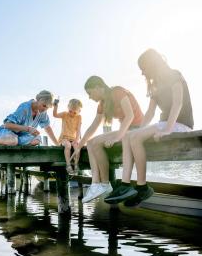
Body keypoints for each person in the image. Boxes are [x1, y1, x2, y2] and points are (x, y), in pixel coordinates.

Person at [105, 49, 194, 207]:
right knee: (128, 136)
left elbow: (178, 103)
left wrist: (167, 129)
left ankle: (142, 187)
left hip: (180, 124)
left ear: (151, 64)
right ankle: (125, 185)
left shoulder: (174, 75)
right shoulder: (155, 85)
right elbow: (150, 112)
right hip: (164, 123)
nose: (142, 73)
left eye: (143, 68)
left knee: (135, 137)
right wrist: (139, 129)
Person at [70, 75, 143, 203]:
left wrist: (117, 137)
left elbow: (130, 116)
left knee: (95, 143)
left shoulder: (118, 92)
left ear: (98, 87)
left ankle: (103, 184)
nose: (89, 97)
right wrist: (79, 147)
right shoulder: (102, 104)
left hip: (137, 129)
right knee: (91, 143)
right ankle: (97, 184)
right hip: (126, 130)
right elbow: (93, 126)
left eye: (90, 93)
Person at [53, 98, 82, 174]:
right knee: (68, 145)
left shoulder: (79, 117)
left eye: (74, 112)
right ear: (68, 107)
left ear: (79, 111)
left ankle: (76, 164)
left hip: (73, 138)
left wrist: (76, 140)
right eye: (70, 111)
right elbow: (55, 115)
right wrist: (55, 105)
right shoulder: (65, 114)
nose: (72, 113)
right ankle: (68, 165)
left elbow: (78, 130)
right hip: (64, 138)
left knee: (77, 147)